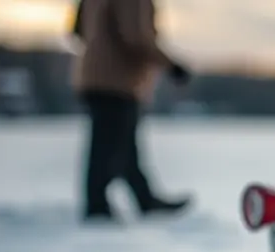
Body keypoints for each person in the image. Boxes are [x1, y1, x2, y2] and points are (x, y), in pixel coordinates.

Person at [70, 0, 193, 223]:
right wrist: (171, 65)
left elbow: (77, 31)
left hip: (94, 76)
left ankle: (144, 200)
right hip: (117, 80)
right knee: (108, 148)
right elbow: (136, 36)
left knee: (123, 146)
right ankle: (97, 207)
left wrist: (99, 44)